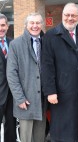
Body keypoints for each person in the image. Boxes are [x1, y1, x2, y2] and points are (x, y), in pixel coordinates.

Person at [42, 2, 78, 142]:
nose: (70, 18)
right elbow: (47, 66)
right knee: (63, 130)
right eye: (67, 15)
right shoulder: (51, 36)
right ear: (62, 15)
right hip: (61, 92)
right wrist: (50, 91)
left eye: (73, 15)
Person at [6, 12, 46, 142]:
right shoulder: (16, 45)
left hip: (43, 100)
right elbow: (11, 74)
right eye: (32, 23)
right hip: (26, 100)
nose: (35, 26)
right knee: (26, 138)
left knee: (40, 137)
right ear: (26, 25)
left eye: (38, 23)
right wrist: (20, 98)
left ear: (42, 24)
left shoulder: (47, 42)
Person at [0, 13, 16, 142]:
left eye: (3, 25)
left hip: (12, 94)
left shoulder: (14, 43)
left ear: (7, 26)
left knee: (11, 126)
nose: (1, 28)